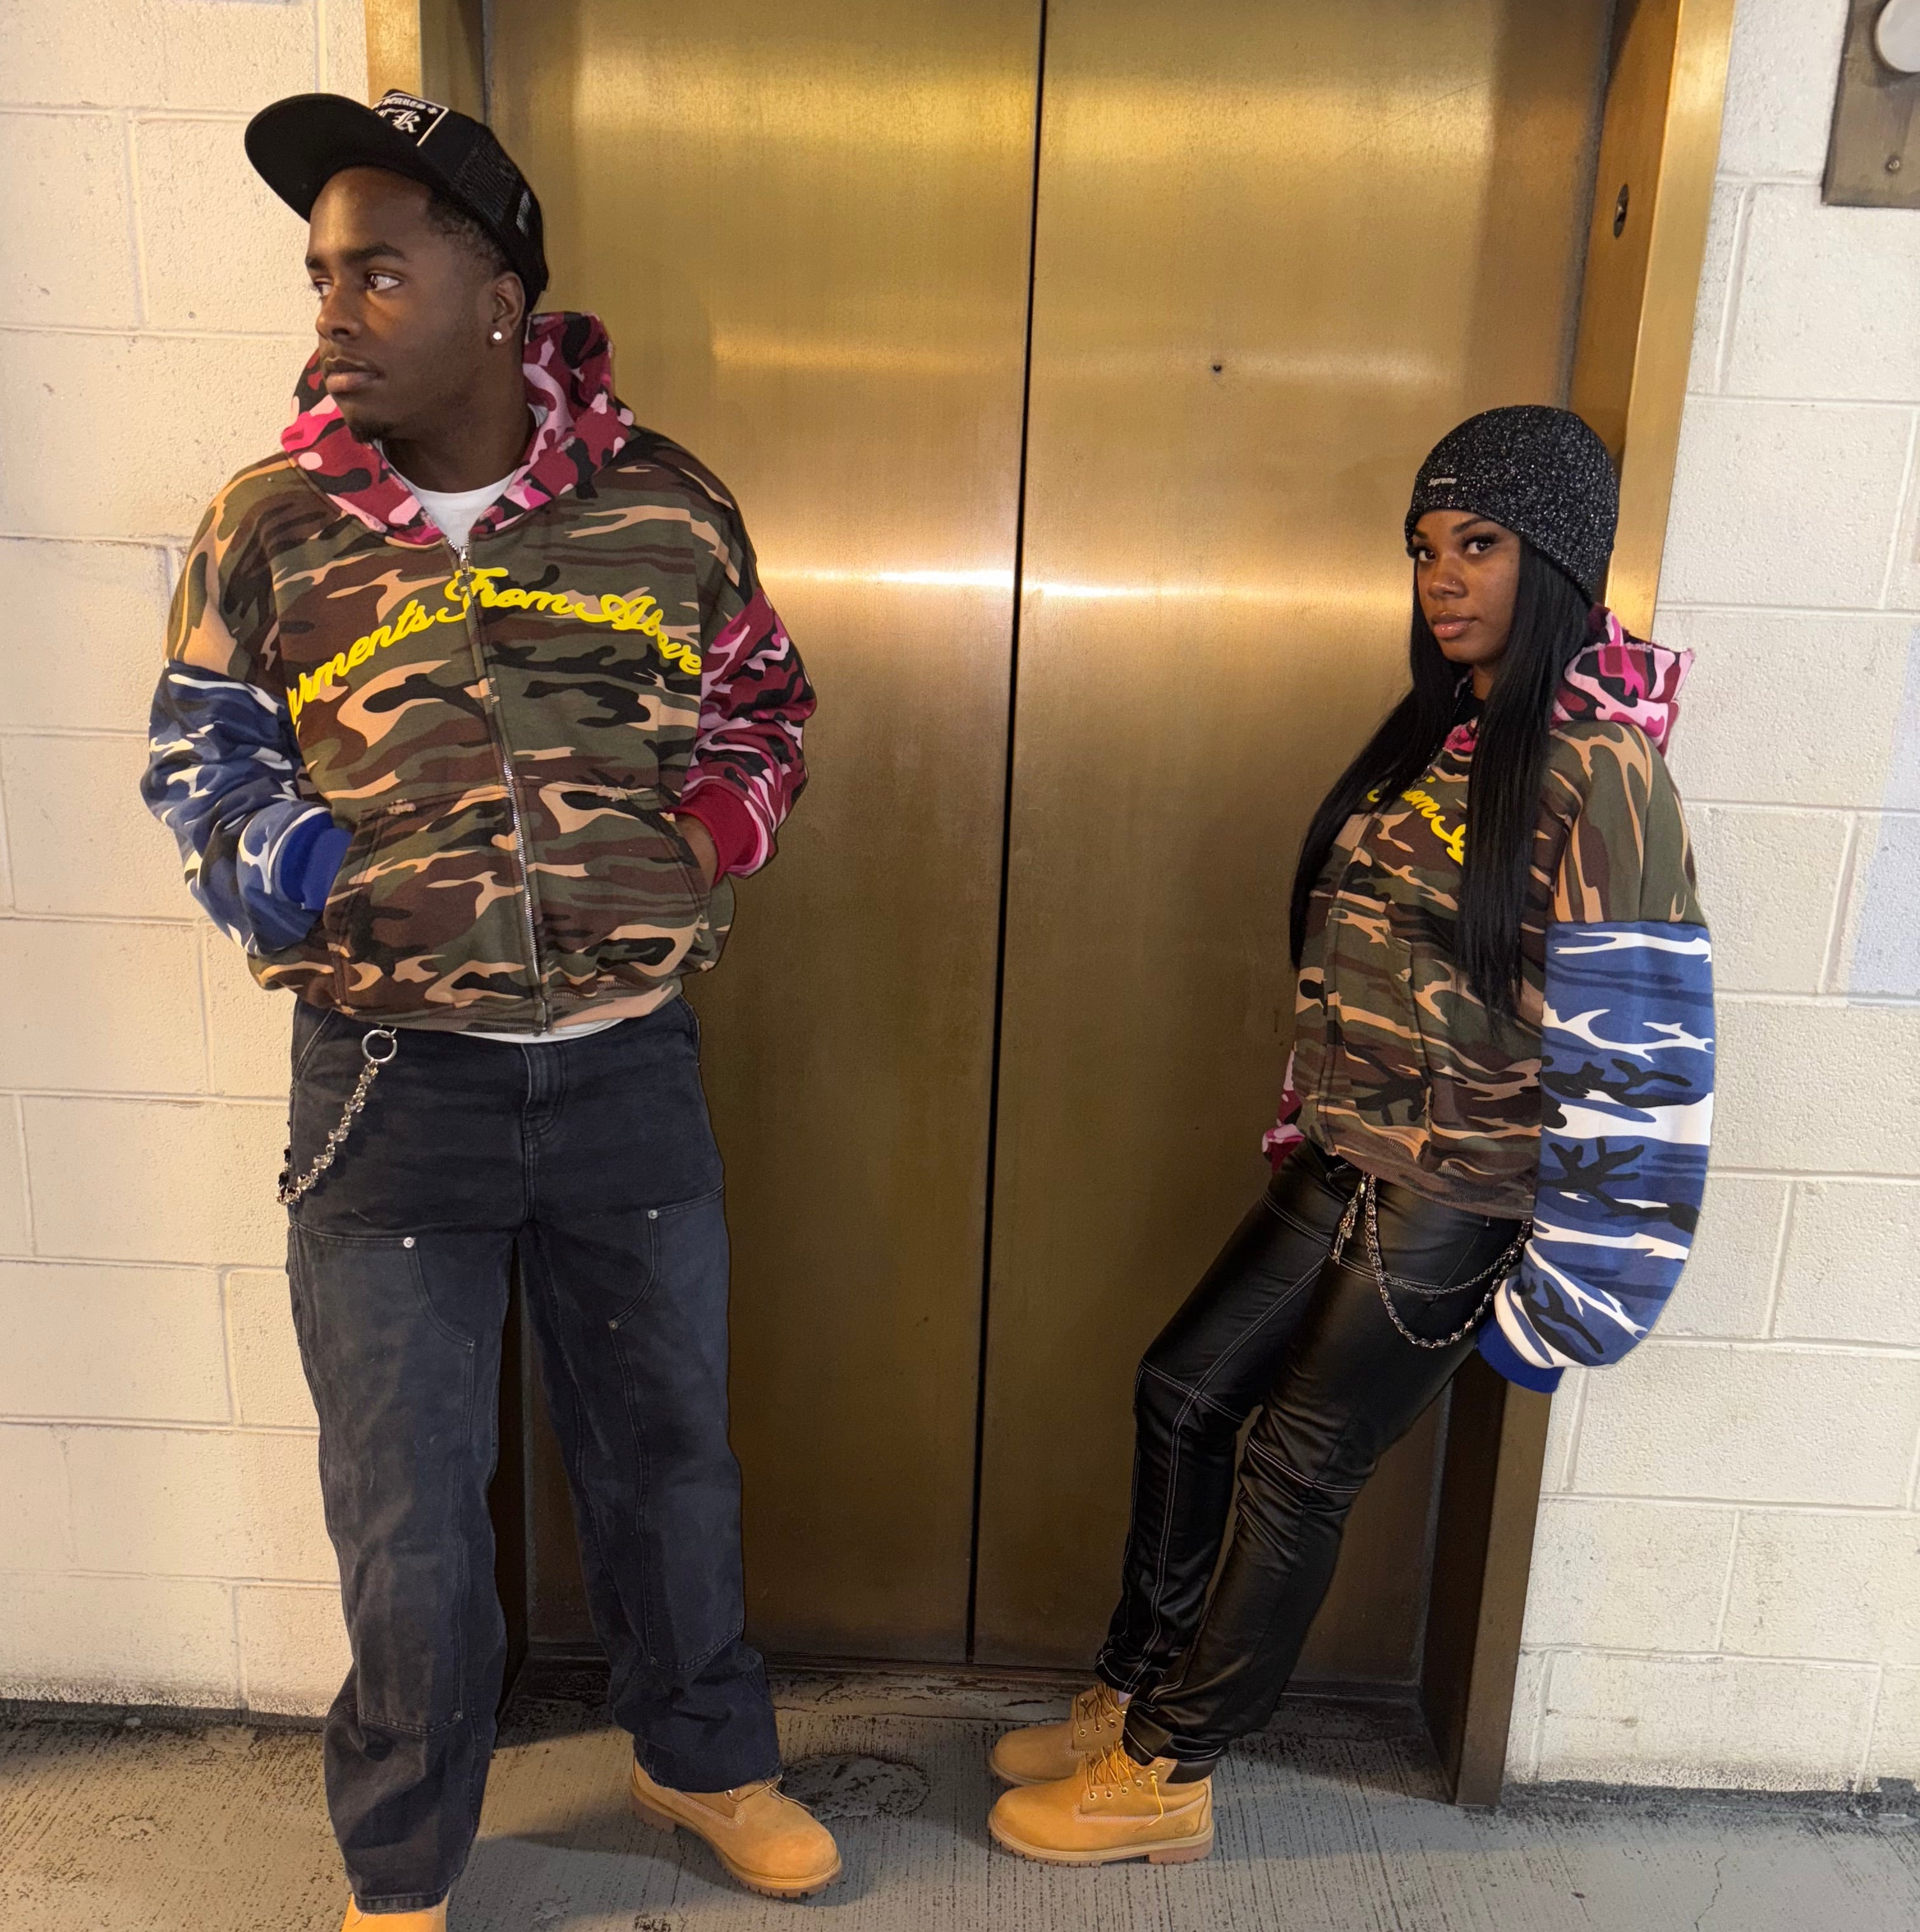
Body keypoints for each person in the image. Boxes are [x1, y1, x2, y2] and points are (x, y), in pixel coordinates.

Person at [142, 91, 837, 1924]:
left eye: (379, 271)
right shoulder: (269, 526)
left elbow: (768, 706)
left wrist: (704, 839)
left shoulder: (666, 507)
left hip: (628, 1073)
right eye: (322, 272)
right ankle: (402, 1861)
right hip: (391, 1089)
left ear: (499, 298)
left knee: (670, 1464)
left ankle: (705, 1762)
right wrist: (308, 870)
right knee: (410, 1511)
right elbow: (196, 760)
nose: (334, 306)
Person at [986, 404, 1714, 1866]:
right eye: (1425, 548)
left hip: (1457, 1194)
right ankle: (1137, 1690)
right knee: (1184, 1391)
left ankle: (1168, 1773)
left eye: (1481, 545)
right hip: (1346, 1157)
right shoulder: (1447, 736)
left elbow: (1647, 1059)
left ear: (1557, 557)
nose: (1443, 577)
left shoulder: (1605, 770)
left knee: (1299, 1469)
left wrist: (1577, 1299)